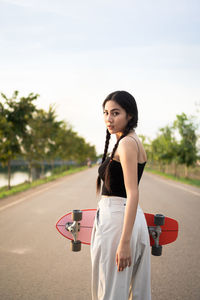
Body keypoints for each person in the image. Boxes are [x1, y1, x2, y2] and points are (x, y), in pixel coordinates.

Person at [90, 91, 151, 300]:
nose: (109, 118)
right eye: (106, 113)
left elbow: (132, 193)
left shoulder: (126, 144)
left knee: (111, 291)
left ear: (130, 115)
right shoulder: (130, 140)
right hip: (124, 218)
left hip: (118, 222)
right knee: (136, 291)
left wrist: (124, 242)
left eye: (115, 113)